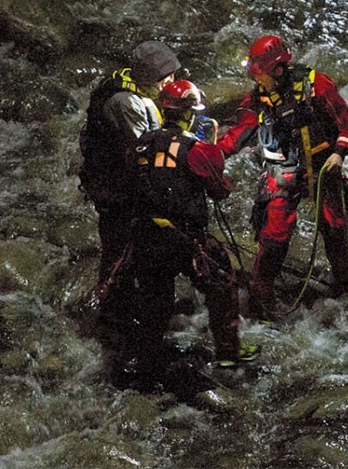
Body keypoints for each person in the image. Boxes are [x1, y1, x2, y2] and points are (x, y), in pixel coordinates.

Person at [101, 79, 257, 393]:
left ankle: (147, 368)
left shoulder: (141, 145)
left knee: (154, 304)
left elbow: (130, 182)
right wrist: (212, 149)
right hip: (186, 240)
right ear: (188, 115)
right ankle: (228, 355)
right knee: (221, 285)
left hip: (146, 237)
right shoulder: (197, 148)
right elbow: (220, 190)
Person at [218, 35, 348, 322]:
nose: (258, 81)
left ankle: (347, 287)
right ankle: (262, 297)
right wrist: (210, 157)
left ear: (278, 69)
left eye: (262, 75)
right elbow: (238, 133)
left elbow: (347, 122)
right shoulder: (258, 98)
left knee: (336, 225)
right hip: (282, 170)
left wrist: (339, 153)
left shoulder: (316, 86)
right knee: (273, 232)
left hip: (322, 166)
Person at [79, 40, 180, 288]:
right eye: (165, 78)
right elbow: (144, 145)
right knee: (118, 245)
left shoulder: (139, 90)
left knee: (135, 241)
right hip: (113, 185)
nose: (171, 83)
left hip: (122, 178)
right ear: (148, 77)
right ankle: (109, 298)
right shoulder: (125, 102)